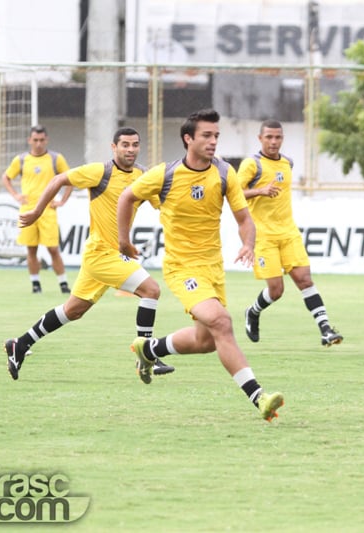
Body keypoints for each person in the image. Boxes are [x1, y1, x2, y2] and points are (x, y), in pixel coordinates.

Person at [117, 109, 284, 422]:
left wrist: (248, 243)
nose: (213, 141)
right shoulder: (164, 174)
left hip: (213, 269)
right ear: (188, 138)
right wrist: (124, 241)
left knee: (206, 341)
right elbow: (126, 197)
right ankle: (259, 397)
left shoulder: (224, 173)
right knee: (221, 322)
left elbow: (244, 218)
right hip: (182, 268)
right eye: (206, 135)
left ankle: (149, 350)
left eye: (216, 136)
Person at [3, 127, 174, 381]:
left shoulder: (142, 176)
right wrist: (38, 211)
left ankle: (21, 343)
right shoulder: (100, 171)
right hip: (102, 254)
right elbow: (58, 180)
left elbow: (164, 204)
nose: (130, 149)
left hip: (105, 256)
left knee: (74, 310)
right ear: (113, 147)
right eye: (125, 144)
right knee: (151, 290)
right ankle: (146, 355)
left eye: (135, 145)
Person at [237, 120, 343, 347]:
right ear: (260, 139)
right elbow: (233, 194)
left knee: (304, 280)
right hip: (263, 235)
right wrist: (260, 191)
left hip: (288, 232)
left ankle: (325, 329)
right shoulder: (251, 165)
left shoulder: (288, 163)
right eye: (269, 137)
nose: (273, 142)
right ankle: (252, 312)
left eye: (278, 137)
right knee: (276, 291)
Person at [1, 125, 73, 294]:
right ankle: (35, 284)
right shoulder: (21, 159)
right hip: (28, 209)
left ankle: (63, 284)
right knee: (31, 248)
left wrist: (62, 200)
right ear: (29, 140)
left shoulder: (56, 158)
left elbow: (70, 179)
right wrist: (16, 196)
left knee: (53, 248)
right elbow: (6, 177)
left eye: (41, 140)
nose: (39, 143)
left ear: (46, 140)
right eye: (35, 140)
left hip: (47, 210)